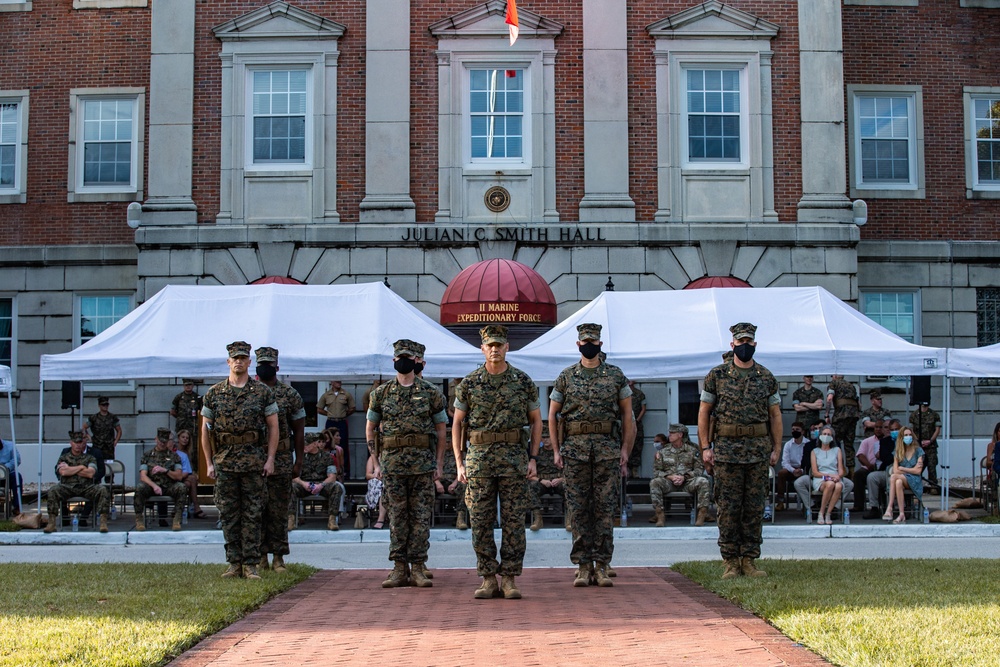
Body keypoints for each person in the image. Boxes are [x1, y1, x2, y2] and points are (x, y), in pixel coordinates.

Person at [453, 325, 542, 600]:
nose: (494, 349)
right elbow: (457, 423)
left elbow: (537, 421)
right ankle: (488, 577)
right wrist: (459, 462)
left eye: (499, 344)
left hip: (514, 459)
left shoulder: (522, 381)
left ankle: (510, 578)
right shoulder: (469, 383)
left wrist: (533, 458)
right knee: (480, 520)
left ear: (507, 347)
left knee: (514, 521)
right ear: (482, 348)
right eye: (490, 345)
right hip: (479, 460)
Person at [549, 323, 634, 588]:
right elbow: (552, 414)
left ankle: (602, 564)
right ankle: (584, 566)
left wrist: (625, 450)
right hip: (575, 450)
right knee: (578, 509)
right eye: (585, 341)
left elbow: (627, 416)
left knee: (605, 509)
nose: (589, 345)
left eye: (593, 341)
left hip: (607, 449)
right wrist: (555, 449)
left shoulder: (615, 375)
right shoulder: (566, 376)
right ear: (578, 345)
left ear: (600, 345)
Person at [698, 322, 782, 579]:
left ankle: (749, 560)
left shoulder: (765, 377)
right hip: (726, 451)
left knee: (754, 507)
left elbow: (775, 415)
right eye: (740, 341)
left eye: (749, 342)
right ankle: (731, 561)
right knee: (728, 506)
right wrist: (704, 447)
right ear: (732, 344)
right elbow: (704, 413)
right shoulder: (717, 376)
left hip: (757, 451)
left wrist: (776, 447)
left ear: (754, 344)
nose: (744, 346)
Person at [367, 339, 448, 589]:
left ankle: (418, 567)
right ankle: (399, 567)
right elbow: (370, 429)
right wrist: (376, 462)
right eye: (399, 356)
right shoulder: (380, 394)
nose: (403, 361)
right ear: (394, 361)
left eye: (408, 357)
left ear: (416, 361)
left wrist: (439, 464)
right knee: (397, 516)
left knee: (421, 516)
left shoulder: (431, 392)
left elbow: (441, 431)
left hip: (422, 465)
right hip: (392, 465)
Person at [202, 341, 279, 580]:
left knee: (253, 513)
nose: (238, 362)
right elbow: (205, 432)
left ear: (249, 362)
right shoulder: (214, 393)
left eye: (243, 358)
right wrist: (209, 463)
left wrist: (270, 459)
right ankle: (234, 563)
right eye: (235, 358)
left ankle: (251, 564)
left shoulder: (262, 392)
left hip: (253, 461)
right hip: (225, 461)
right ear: (228, 362)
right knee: (228, 514)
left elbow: (273, 427)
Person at [254, 346, 306, 573]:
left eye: (269, 364)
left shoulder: (290, 395)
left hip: (283, 459)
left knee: (278, 509)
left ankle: (278, 557)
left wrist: (299, 461)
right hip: (255, 459)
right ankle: (260, 555)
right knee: (257, 508)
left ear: (277, 367)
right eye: (261, 364)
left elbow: (300, 431)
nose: (265, 368)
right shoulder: (251, 392)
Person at [44, 431, 110, 533]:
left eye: (80, 443)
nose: (78, 445)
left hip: (86, 487)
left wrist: (70, 469)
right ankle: (51, 522)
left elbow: (90, 474)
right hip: (67, 486)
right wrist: (81, 467)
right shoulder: (64, 457)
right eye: (76, 443)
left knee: (103, 490)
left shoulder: (90, 458)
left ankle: (103, 521)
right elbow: (63, 472)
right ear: (71, 443)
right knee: (53, 490)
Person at [650, 424, 710, 527]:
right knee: (655, 482)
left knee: (703, 481)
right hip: (669, 483)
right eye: (670, 433)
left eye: (672, 433)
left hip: (687, 482)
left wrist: (684, 477)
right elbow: (656, 471)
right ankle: (660, 516)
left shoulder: (692, 450)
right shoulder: (663, 451)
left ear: (680, 435)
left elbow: (699, 469)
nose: (670, 435)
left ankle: (701, 515)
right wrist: (670, 477)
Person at [134, 427, 188, 531]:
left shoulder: (174, 456)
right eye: (160, 441)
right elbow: (143, 476)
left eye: (165, 441)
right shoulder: (147, 455)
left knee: (181, 487)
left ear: (168, 441)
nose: (162, 444)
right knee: (140, 487)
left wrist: (165, 470)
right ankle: (139, 519)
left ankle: (177, 519)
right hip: (152, 486)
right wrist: (154, 486)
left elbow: (179, 476)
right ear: (156, 439)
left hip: (168, 486)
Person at [290, 433, 344, 532]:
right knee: (291, 487)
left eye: (307, 444)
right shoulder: (301, 457)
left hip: (321, 484)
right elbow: (294, 476)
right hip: (305, 485)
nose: (304, 447)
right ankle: (291, 519)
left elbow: (332, 477)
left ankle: (332, 519)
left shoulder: (327, 457)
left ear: (315, 444)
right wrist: (303, 483)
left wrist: (321, 485)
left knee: (336, 487)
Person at [885, 425, 925, 524]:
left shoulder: (918, 450)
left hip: (915, 480)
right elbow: (895, 470)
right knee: (897, 481)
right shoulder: (898, 451)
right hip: (903, 479)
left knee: (894, 477)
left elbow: (918, 472)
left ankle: (889, 508)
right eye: (906, 435)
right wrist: (911, 469)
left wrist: (902, 468)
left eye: (910, 435)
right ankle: (901, 514)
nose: (908, 437)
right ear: (901, 438)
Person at [862, 418, 901, 519]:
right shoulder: (884, 442)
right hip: (887, 470)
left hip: (903, 472)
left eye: (895, 429)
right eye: (890, 429)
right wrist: (898, 456)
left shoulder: (905, 440)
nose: (892, 431)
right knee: (872, 477)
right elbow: (885, 458)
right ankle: (874, 507)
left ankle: (902, 507)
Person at [317, 380, 355, 477]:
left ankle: (345, 471)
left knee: (343, 446)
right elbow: (319, 409)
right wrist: (329, 414)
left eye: (340, 381)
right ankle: (328, 469)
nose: (339, 382)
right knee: (328, 444)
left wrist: (344, 414)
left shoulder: (346, 394)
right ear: (331, 382)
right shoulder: (326, 395)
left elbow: (352, 408)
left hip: (342, 422)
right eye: (336, 381)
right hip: (330, 421)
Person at [526, 429, 563, 531]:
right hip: (542, 482)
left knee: (570, 486)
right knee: (531, 487)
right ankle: (538, 519)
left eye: (548, 437)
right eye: (543, 437)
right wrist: (541, 480)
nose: (545, 440)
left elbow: (571, 472)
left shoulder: (560, 453)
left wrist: (561, 479)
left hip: (558, 481)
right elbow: (529, 475)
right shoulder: (536, 455)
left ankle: (570, 518)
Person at [810, 425, 845, 525]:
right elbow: (815, 472)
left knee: (838, 485)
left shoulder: (837, 450)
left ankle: (828, 513)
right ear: (820, 436)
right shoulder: (814, 452)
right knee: (830, 484)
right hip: (821, 478)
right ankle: (821, 512)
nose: (826, 436)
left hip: (835, 478)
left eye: (829, 434)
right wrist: (828, 476)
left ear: (832, 437)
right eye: (824, 434)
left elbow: (841, 470)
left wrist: (837, 476)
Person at [825, 375, 860, 474]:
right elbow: (859, 404)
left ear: (835, 376)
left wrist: (827, 415)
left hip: (841, 416)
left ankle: (841, 469)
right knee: (849, 444)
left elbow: (829, 398)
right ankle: (851, 471)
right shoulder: (851, 386)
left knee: (835, 442)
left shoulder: (834, 383)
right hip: (853, 416)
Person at [853, 420, 886, 513]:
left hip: (883, 469)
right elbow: (860, 455)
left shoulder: (889, 440)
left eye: (880, 427)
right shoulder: (867, 441)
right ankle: (858, 505)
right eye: (876, 427)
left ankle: (882, 505)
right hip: (869, 468)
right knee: (858, 475)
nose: (878, 429)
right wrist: (869, 465)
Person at [776, 421, 808, 512]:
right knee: (781, 473)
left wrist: (801, 470)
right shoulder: (788, 444)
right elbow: (785, 462)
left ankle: (808, 503)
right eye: (793, 430)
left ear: (802, 432)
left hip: (804, 469)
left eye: (797, 430)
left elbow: (809, 461)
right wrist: (793, 470)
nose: (795, 431)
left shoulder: (808, 444)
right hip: (791, 469)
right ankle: (780, 502)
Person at [909, 401, 941, 489]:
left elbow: (937, 430)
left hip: (931, 446)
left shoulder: (934, 415)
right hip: (918, 446)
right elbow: (911, 430)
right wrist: (918, 441)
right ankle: (916, 485)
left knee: (932, 466)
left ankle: (933, 486)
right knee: (918, 465)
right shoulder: (914, 415)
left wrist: (930, 441)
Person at [174, 429, 204, 518]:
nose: (185, 439)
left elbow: (191, 467)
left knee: (189, 483)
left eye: (187, 438)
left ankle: (178, 509)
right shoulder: (174, 450)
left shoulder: (189, 452)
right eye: (183, 437)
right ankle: (196, 507)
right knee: (192, 479)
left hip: (186, 477)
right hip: (177, 475)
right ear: (178, 438)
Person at [437, 445, 469, 530]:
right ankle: (428, 517)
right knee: (425, 486)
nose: (447, 442)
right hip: (439, 481)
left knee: (464, 485)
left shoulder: (460, 453)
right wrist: (437, 483)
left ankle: (460, 517)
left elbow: (464, 469)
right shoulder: (437, 453)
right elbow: (430, 468)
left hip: (454, 481)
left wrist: (455, 483)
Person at [82, 396, 121, 465]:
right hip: (97, 445)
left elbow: (119, 430)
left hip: (109, 447)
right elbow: (84, 427)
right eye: (103, 405)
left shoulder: (112, 417)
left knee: (110, 466)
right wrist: (88, 437)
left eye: (107, 404)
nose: (105, 406)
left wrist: (116, 441)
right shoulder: (93, 418)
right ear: (99, 406)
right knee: (96, 465)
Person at [170, 379, 203, 455]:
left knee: (193, 448)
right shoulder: (179, 397)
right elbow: (172, 411)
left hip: (193, 428)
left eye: (190, 385)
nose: (188, 387)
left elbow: (202, 412)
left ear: (193, 386)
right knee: (180, 447)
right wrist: (180, 417)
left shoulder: (197, 397)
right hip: (181, 427)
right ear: (183, 386)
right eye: (186, 385)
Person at [627, 381, 646, 478]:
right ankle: (626, 469)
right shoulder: (622, 392)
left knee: (637, 446)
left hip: (636, 424)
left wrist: (637, 420)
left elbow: (643, 408)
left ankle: (634, 469)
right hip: (624, 424)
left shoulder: (639, 394)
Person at [0, 435, 22, 515]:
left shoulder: (10, 445)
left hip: (8, 474)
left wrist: (5, 468)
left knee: (17, 477)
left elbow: (17, 459)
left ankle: (17, 506)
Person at [365, 452, 387, 529]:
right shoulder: (372, 458)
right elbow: (368, 475)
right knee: (382, 487)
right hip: (375, 481)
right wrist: (377, 476)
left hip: (388, 481)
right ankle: (380, 519)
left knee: (385, 486)